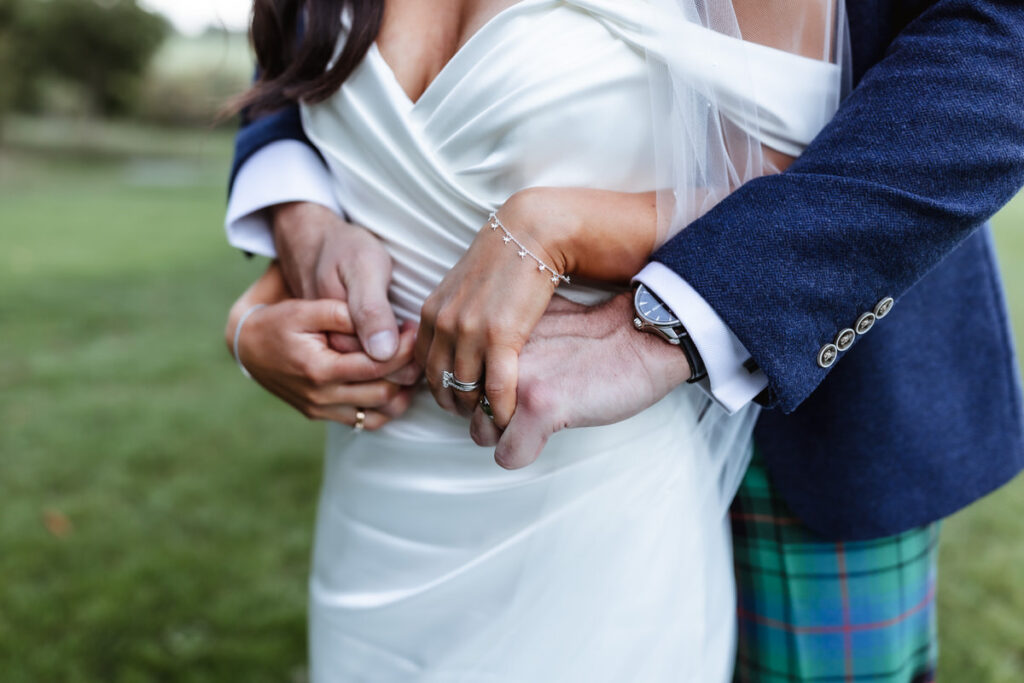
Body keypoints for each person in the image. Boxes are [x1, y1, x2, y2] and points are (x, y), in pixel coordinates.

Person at [224, 0, 1024, 681]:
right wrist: (288, 230)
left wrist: (592, 248)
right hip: (391, 509)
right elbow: (292, 82)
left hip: (819, 393)